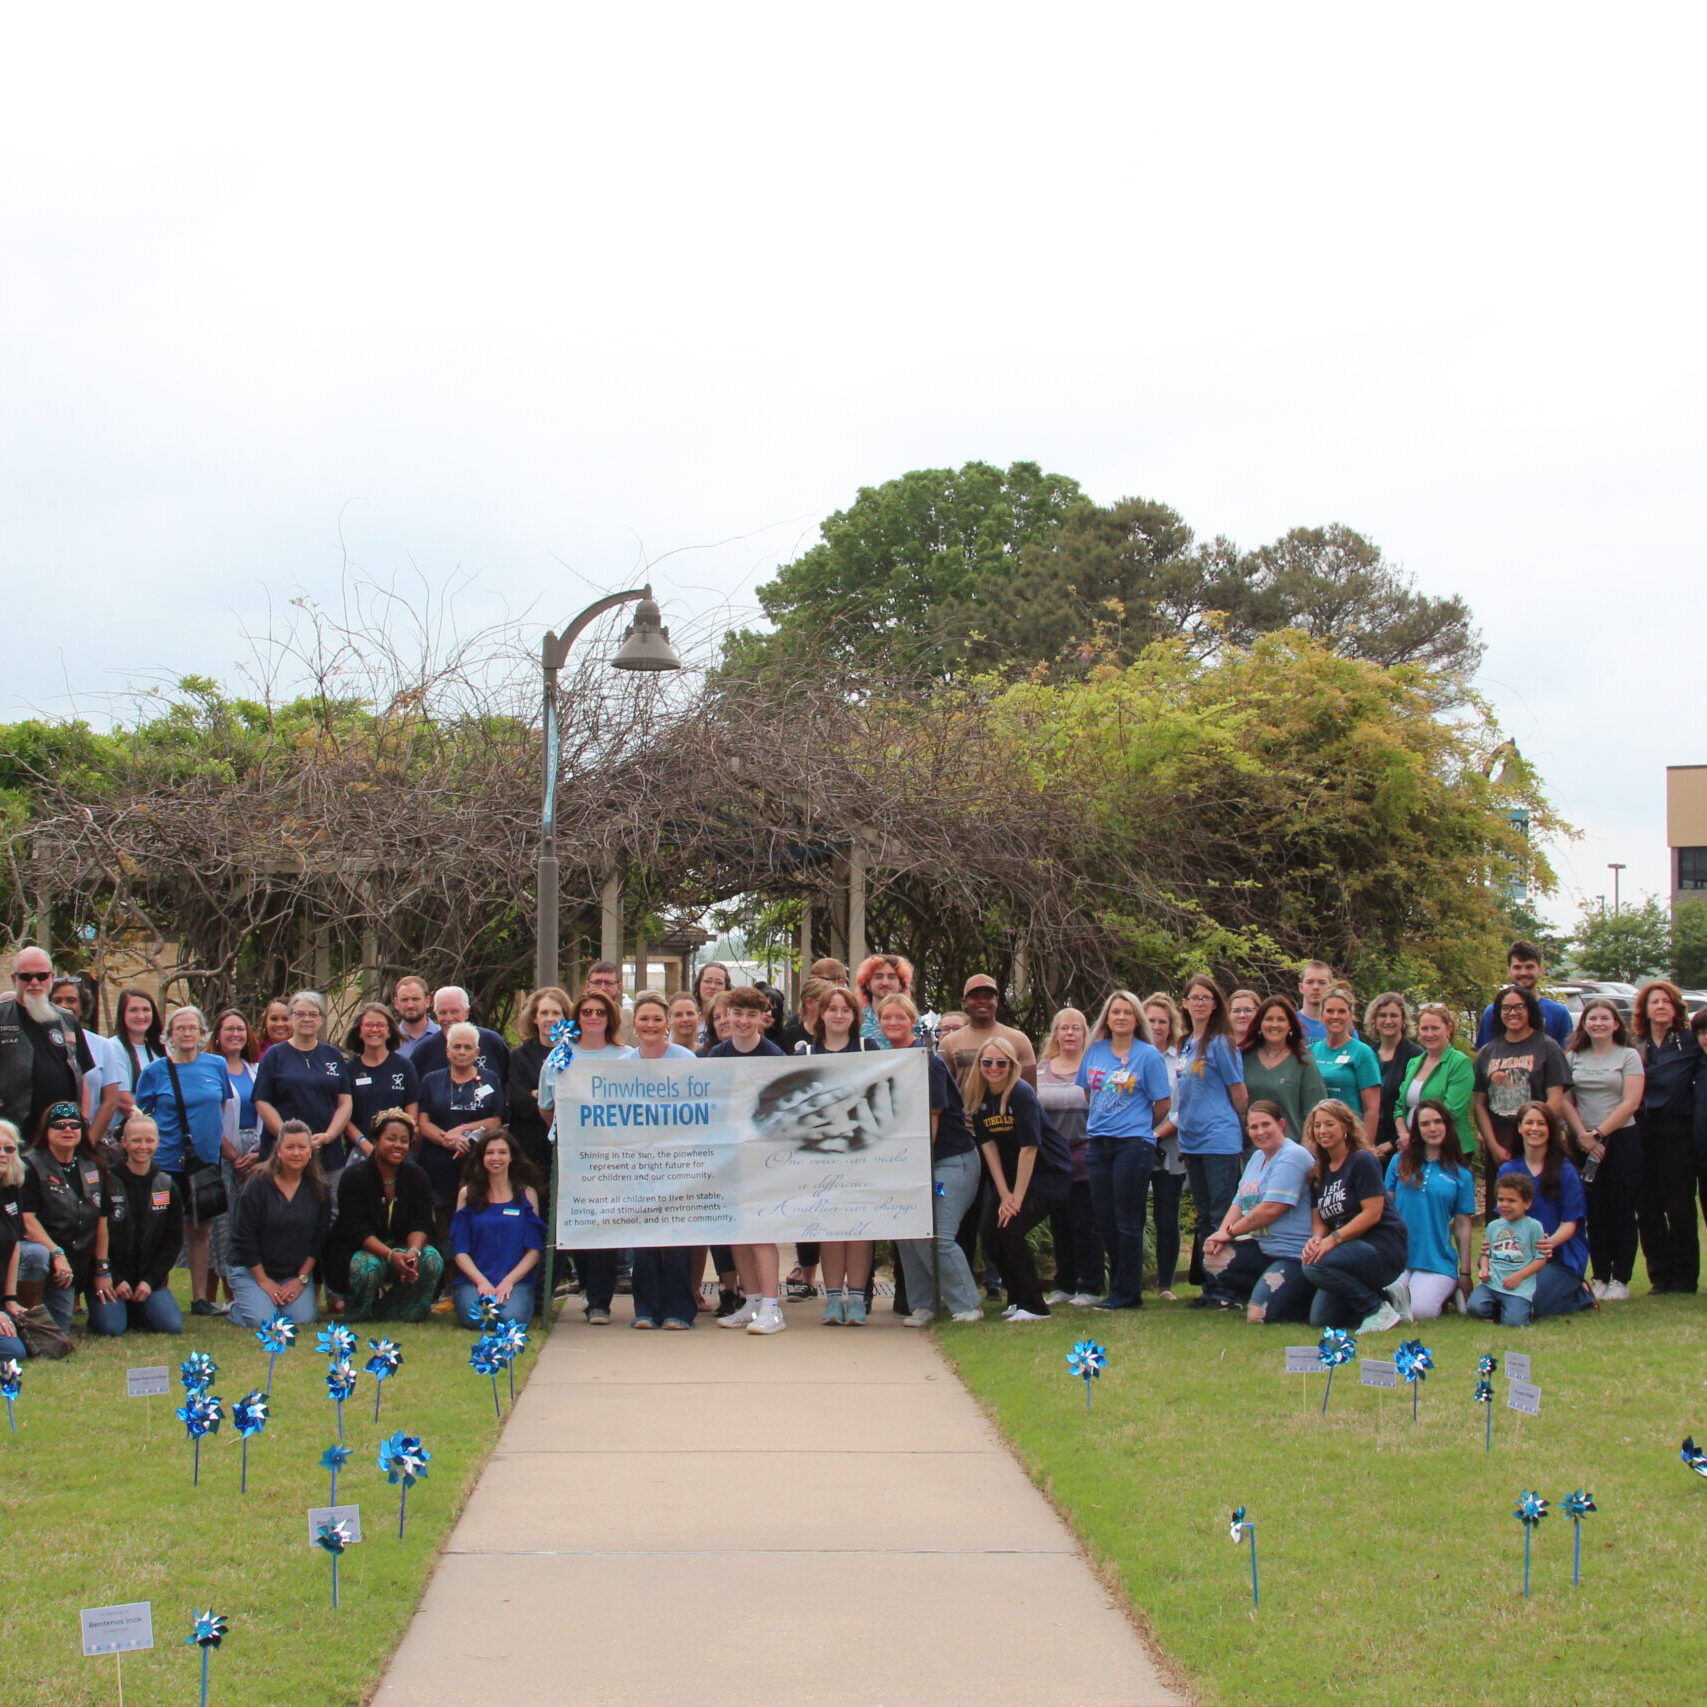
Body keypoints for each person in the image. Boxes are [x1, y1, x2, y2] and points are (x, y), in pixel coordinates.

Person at [880, 995, 983, 1325]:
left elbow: (932, 1116)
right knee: (908, 1236)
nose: (893, 1023)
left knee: (936, 1235)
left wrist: (918, 1164)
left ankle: (967, 1305)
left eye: (900, 1017)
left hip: (950, 1160)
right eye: (887, 1017)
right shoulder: (883, 1061)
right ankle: (923, 1305)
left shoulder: (929, 1061)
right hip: (908, 1164)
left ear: (912, 1021)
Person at [135, 1005, 237, 1317]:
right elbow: (143, 1113)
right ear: (169, 1035)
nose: (187, 1033)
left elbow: (218, 1105)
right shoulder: (155, 1072)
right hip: (166, 1165)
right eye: (180, 1028)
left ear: (203, 1033)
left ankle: (199, 1298)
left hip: (204, 1165)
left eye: (193, 1027)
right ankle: (156, 1291)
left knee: (200, 1228)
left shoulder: (216, 1064)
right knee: (159, 1225)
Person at [1077, 990, 1171, 1311]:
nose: (1120, 1017)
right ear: (1106, 1018)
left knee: (1127, 1220)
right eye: (1115, 1012)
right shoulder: (1095, 1052)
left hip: (1133, 1144)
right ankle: (1120, 1284)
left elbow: (1163, 1103)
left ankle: (1127, 1292)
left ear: (1136, 1019)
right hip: (1099, 1142)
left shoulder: (1148, 1056)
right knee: (1104, 1220)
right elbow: (1090, 1094)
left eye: (1127, 1013)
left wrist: (1140, 1124)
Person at [967, 1035, 1072, 1321]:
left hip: (1048, 1174)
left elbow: (1030, 1148)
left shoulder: (1021, 1092)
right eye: (988, 1062)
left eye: (1001, 1063)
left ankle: (1035, 1306)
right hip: (1013, 1177)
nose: (994, 1068)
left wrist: (1016, 1199)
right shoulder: (979, 1094)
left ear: (1011, 1065)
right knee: (990, 1232)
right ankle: (1015, 1298)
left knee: (1011, 1229)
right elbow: (988, 1148)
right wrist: (1003, 1194)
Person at [793, 986, 881, 1323]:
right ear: (822, 1014)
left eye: (846, 1009)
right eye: (833, 1009)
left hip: (861, 1150)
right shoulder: (804, 1052)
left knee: (859, 1227)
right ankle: (832, 1299)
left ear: (854, 1016)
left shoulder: (867, 1048)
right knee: (830, 1226)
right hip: (821, 1153)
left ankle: (857, 1298)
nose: (839, 1015)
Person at [1161, 976, 1248, 1303]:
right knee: (1203, 1216)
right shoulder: (1185, 1043)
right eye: (1193, 998)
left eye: (1206, 998)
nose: (1199, 1003)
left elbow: (1239, 1092)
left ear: (1215, 1004)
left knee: (1220, 1214)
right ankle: (1210, 1286)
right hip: (1192, 1141)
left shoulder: (1222, 1043)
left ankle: (1227, 1288)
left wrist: (1240, 1128)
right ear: (1184, 1003)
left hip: (1220, 1139)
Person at [711, 987, 788, 1334]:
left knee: (761, 1231)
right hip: (728, 1156)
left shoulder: (774, 1056)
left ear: (763, 1018)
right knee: (736, 1230)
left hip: (763, 1156)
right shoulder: (715, 1056)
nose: (742, 1021)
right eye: (737, 1013)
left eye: (750, 1015)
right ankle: (753, 1300)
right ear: (726, 1014)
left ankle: (773, 1307)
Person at [621, 992, 699, 1329]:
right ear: (635, 1025)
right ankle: (645, 1309)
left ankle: (679, 1310)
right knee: (645, 1240)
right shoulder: (622, 1066)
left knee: (678, 1238)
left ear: (666, 1024)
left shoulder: (686, 1059)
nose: (650, 1025)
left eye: (656, 1019)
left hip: (679, 1162)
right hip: (639, 1165)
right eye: (644, 1019)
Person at [1200, 1101, 1316, 1322]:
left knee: (1257, 1316)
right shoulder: (1257, 1157)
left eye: (1266, 1125)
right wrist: (1219, 1234)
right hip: (1264, 1249)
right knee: (1214, 1257)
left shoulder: (1293, 1156)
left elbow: (1270, 1210)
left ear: (1281, 1124)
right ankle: (1264, 1291)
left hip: (1293, 1254)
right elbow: (1239, 1201)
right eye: (1254, 1127)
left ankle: (1300, 1297)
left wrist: (1230, 1232)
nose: (1260, 1132)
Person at [1298, 1100, 1409, 1331]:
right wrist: (1317, 1239)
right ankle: (1388, 1297)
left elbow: (1372, 1214)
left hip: (1381, 1247)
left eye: (1330, 1124)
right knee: (1322, 1320)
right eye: (1317, 1126)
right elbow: (1319, 1221)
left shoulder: (1362, 1161)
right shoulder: (1319, 1172)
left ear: (1345, 1127)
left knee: (1314, 1267)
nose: (1323, 1131)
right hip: (1348, 1251)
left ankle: (1376, 1310)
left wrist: (1331, 1241)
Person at [325, 1110, 443, 1322]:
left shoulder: (418, 1177)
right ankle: (359, 1313)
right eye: (391, 1139)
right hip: (362, 1250)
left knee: (431, 1259)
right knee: (367, 1267)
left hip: (404, 1248)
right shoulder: (354, 1176)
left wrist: (413, 1252)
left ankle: (397, 1311)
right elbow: (355, 1229)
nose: (398, 1145)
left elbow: (422, 1222)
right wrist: (390, 1255)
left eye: (404, 1141)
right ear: (376, 1140)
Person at [1563, 997, 1644, 1301]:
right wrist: (1583, 1135)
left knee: (1622, 1210)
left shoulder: (1629, 1056)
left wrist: (1599, 1133)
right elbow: (1566, 1101)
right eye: (1592, 1018)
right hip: (1583, 1142)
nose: (1598, 1024)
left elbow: (1630, 1101)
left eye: (1604, 1019)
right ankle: (1599, 1276)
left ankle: (1620, 1280)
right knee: (1594, 1212)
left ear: (1615, 1024)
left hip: (1621, 1141)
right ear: (1583, 1023)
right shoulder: (1573, 1057)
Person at [20, 1102, 122, 1334]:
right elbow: (27, 1220)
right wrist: (56, 1254)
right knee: (58, 1332)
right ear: (46, 1130)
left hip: (83, 1260)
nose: (68, 1130)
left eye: (75, 1125)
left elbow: (102, 1222)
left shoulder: (94, 1166)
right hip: (50, 1261)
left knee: (111, 1327)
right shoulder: (31, 1164)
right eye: (59, 1125)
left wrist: (102, 1269)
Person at [1472, 983, 1573, 1218]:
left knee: (1538, 1209)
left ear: (1530, 1010)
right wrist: (1494, 1146)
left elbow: (1556, 1098)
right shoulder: (1487, 1052)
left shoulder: (1548, 1047)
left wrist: (1534, 1134)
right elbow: (1479, 1104)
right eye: (1506, 1008)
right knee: (1501, 1211)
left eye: (1519, 1007)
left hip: (1538, 1140)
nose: (1512, 1013)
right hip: (1500, 1140)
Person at [418, 1021, 505, 1284]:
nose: (462, 1051)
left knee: (477, 1220)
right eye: (456, 1046)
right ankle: (447, 1285)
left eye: (468, 1047)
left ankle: (478, 1280)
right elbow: (423, 1122)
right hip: (439, 1165)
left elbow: (496, 1120)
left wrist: (466, 1129)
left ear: (477, 1052)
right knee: (444, 1225)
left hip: (478, 1166)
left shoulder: (490, 1080)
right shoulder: (431, 1081)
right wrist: (447, 1139)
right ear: (447, 1051)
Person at [225, 1120, 331, 1328]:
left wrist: (300, 1279)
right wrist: (263, 1280)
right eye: (289, 1147)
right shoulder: (257, 1184)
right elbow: (242, 1236)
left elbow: (319, 1238)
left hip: (292, 1273)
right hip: (252, 1270)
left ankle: (268, 1302)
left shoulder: (319, 1189)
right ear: (278, 1151)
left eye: (302, 1147)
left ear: (311, 1152)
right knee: (265, 1322)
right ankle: (237, 1308)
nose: (296, 1153)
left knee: (303, 1320)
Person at [1632, 978, 1702, 1294]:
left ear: (1676, 1009)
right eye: (1654, 1001)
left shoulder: (1689, 1042)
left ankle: (1685, 1276)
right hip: (1642, 1130)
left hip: (1677, 1132)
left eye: (1666, 1002)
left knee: (1679, 1206)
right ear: (1645, 1010)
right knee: (1648, 1208)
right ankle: (1659, 1275)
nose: (1660, 1006)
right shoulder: (1636, 1046)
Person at [1496, 1100, 1592, 1317]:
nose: (1535, 1129)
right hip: (1520, 1257)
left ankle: (1579, 1295)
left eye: (1541, 1124)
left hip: (1560, 1256)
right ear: (1519, 1127)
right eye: (1529, 1123)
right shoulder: (1508, 1170)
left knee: (1530, 1306)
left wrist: (1547, 1244)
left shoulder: (1566, 1171)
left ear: (1550, 1129)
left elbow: (1570, 1224)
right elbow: (1503, 1219)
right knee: (1496, 1304)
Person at [1383, 1099, 1477, 1319]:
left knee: (1419, 1312)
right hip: (1398, 1257)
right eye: (1425, 1124)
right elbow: (1385, 1210)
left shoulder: (1461, 1174)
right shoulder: (1398, 1162)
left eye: (1438, 1122)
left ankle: (1448, 1289)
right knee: (1385, 1304)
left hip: (1436, 1260)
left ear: (1447, 1126)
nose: (1432, 1128)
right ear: (1417, 1129)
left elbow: (1463, 1225)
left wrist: (1465, 1273)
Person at [95, 1111, 186, 1335]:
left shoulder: (166, 1184)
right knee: (111, 1328)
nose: (143, 1146)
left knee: (171, 1326)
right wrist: (114, 1278)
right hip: (113, 1278)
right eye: (136, 1140)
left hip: (149, 1278)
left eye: (149, 1140)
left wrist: (150, 1280)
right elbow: (95, 1236)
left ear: (158, 1142)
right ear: (124, 1142)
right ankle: (118, 1308)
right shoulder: (107, 1181)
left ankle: (141, 1306)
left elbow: (173, 1241)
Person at [450, 1130, 545, 1328]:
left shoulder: (527, 1194)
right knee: (480, 1319)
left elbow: (534, 1250)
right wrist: (481, 1282)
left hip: (515, 1281)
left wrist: (509, 1281)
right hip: (475, 1280)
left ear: (512, 1157)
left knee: (512, 1319)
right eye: (490, 1152)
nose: (496, 1158)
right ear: (481, 1157)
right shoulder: (466, 1194)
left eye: (502, 1152)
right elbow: (459, 1251)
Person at [1038, 1007, 1100, 1306]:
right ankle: (1063, 1284)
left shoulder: (1093, 1068)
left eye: (1076, 1028)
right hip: (1053, 1161)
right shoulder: (1041, 1068)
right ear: (1056, 1033)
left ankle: (1089, 1285)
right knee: (1059, 1225)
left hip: (1086, 1158)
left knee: (1084, 1224)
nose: (1070, 1034)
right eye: (1064, 1028)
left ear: (1085, 1033)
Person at [252, 991, 354, 1169]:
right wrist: (290, 1139)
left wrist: (328, 1136)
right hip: (283, 1153)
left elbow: (345, 1103)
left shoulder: (333, 1056)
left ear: (321, 1019)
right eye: (300, 1014)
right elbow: (262, 1101)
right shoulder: (274, 1055)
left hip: (327, 1153)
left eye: (313, 1014)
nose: (307, 1019)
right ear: (291, 1018)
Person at [0, 946, 94, 1137]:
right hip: (11, 1133)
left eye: (41, 976)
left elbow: (82, 1077)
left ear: (51, 978)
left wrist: (81, 1121)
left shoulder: (67, 1020)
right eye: (26, 976)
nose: (34, 982)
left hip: (60, 1132)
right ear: (14, 980)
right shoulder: (1, 1016)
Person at [1142, 994, 1189, 1301]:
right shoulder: (1131, 1055)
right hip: (1134, 1145)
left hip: (1169, 1147)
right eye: (1151, 1021)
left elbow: (1184, 1104)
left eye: (1162, 1021)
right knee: (1132, 1215)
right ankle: (1130, 1281)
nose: (1157, 1026)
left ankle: (1165, 1284)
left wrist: (1157, 1134)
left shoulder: (1180, 1059)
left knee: (1166, 1217)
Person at [1240, 996, 1328, 1154]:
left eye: (1281, 1019)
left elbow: (1314, 1114)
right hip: (1250, 1154)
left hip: (1290, 1153)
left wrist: (1305, 1156)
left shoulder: (1304, 1062)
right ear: (1259, 1024)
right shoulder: (1244, 1058)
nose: (1274, 1024)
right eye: (1269, 1019)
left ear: (1290, 1026)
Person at [1465, 1172, 1547, 1327]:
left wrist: (1520, 1276)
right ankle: (1498, 1308)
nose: (1504, 1205)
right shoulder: (1494, 1226)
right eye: (1501, 1199)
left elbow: (1541, 1258)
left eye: (1511, 1200)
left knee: (1513, 1322)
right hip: (1492, 1284)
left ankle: (1521, 1310)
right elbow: (1485, 1253)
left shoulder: (1533, 1227)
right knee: (1474, 1308)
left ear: (1527, 1203)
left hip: (1518, 1287)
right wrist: (1484, 1269)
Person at [342, 1003, 422, 1158]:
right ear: (360, 1031)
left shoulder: (404, 1066)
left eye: (380, 1025)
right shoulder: (349, 1069)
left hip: (397, 1152)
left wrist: (396, 1142)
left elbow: (412, 1112)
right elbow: (344, 1116)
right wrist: (365, 1145)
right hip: (360, 1151)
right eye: (369, 1025)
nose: (374, 1030)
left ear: (389, 1032)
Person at [55, 976, 124, 1149]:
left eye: (71, 1000)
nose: (64, 1005)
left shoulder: (102, 1046)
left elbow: (110, 1101)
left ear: (82, 1005)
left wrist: (88, 1142)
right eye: (57, 1000)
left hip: (89, 1141)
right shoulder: (39, 1043)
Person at [1394, 1003, 1475, 1144]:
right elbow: (1400, 1107)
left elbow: (1452, 1111)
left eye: (1435, 1028)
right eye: (1424, 1028)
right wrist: (1403, 1135)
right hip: (1413, 1146)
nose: (1429, 1034)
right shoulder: (1413, 1063)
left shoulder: (1459, 1062)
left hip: (1450, 1147)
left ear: (1448, 1029)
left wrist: (1416, 1137)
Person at [938, 975, 1037, 1082]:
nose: (982, 1001)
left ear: (997, 1001)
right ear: (965, 1002)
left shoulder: (1019, 1040)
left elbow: (1030, 1089)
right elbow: (942, 1088)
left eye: (988, 996)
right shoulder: (949, 1043)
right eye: (975, 996)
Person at [1474, 941, 1573, 1047]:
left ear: (1540, 970)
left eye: (1529, 967)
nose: (1523, 973)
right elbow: (1486, 1057)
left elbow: (1566, 1057)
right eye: (1517, 967)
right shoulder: (1493, 1012)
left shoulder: (1558, 1013)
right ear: (1509, 971)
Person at [1309, 989, 1381, 1134]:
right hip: (1317, 1136)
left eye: (1342, 1011)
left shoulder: (1362, 1053)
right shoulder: (1310, 1051)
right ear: (1321, 1015)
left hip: (1350, 1137)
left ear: (1351, 1016)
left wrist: (1366, 1149)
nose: (1336, 1016)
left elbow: (1372, 1109)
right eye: (1330, 1011)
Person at [408, 985, 511, 1085]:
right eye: (442, 1013)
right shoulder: (424, 1050)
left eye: (454, 1011)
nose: (448, 1018)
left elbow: (508, 1084)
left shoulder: (492, 1042)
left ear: (467, 1012)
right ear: (435, 1014)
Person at [1366, 993, 1424, 1159]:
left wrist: (1392, 1142)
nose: (1388, 1021)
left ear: (1403, 1020)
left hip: (1403, 1143)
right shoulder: (1367, 1054)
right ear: (1374, 1020)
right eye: (1382, 1015)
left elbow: (1414, 1103)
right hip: (1369, 1140)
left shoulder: (1415, 1055)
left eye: (1394, 1015)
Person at [0, 1121, 30, 1360]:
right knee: (12, 1352)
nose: (3, 1154)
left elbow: (14, 1246)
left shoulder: (11, 1190)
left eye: (8, 1149)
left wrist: (10, 1299)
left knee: (32, 1344)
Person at [854, 953, 913, 1045]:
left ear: (901, 984)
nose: (885, 982)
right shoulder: (855, 1021)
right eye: (878, 976)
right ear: (867, 984)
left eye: (891, 977)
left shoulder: (914, 1020)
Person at [392, 975, 440, 1059]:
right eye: (404, 1000)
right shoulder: (389, 1041)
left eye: (415, 999)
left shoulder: (443, 1037)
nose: (410, 1005)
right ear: (396, 1003)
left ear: (427, 1001)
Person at [1297, 960, 1334, 1043]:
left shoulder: (1344, 1029)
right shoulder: (1288, 1024)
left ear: (1330, 989)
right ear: (1301, 987)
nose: (1316, 987)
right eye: (1310, 982)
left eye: (1322, 982)